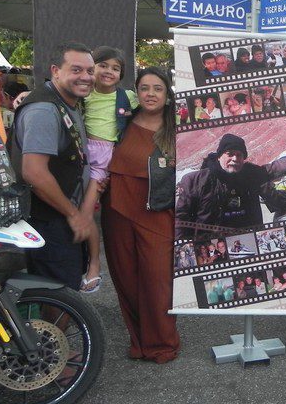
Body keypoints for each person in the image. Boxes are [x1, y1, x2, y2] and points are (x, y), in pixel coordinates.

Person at [102, 66, 180, 363]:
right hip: (117, 208)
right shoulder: (121, 120)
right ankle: (139, 341)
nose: (150, 94)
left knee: (158, 280)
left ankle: (162, 343)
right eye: (145, 88)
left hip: (158, 212)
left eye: (157, 88)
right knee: (126, 278)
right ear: (137, 92)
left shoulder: (177, 128)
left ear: (167, 94)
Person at [10, 42, 95, 291]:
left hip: (58, 218)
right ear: (56, 71)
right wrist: (73, 214)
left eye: (90, 71)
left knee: (62, 291)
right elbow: (34, 172)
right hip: (49, 220)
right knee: (59, 296)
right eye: (76, 70)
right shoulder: (44, 110)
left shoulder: (65, 100)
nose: (86, 77)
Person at [175, 134, 286, 239]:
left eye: (239, 155)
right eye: (230, 154)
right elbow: (181, 218)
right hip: (211, 244)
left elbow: (274, 168)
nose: (235, 158)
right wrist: (181, 245)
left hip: (247, 239)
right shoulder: (195, 180)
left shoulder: (249, 173)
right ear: (220, 155)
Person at [79, 46, 138, 293]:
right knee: (75, 208)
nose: (108, 71)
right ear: (92, 68)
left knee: (85, 213)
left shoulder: (128, 97)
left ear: (121, 74)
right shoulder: (84, 93)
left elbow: (154, 108)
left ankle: (94, 265)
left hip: (105, 159)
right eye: (103, 65)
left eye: (115, 68)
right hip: (82, 154)